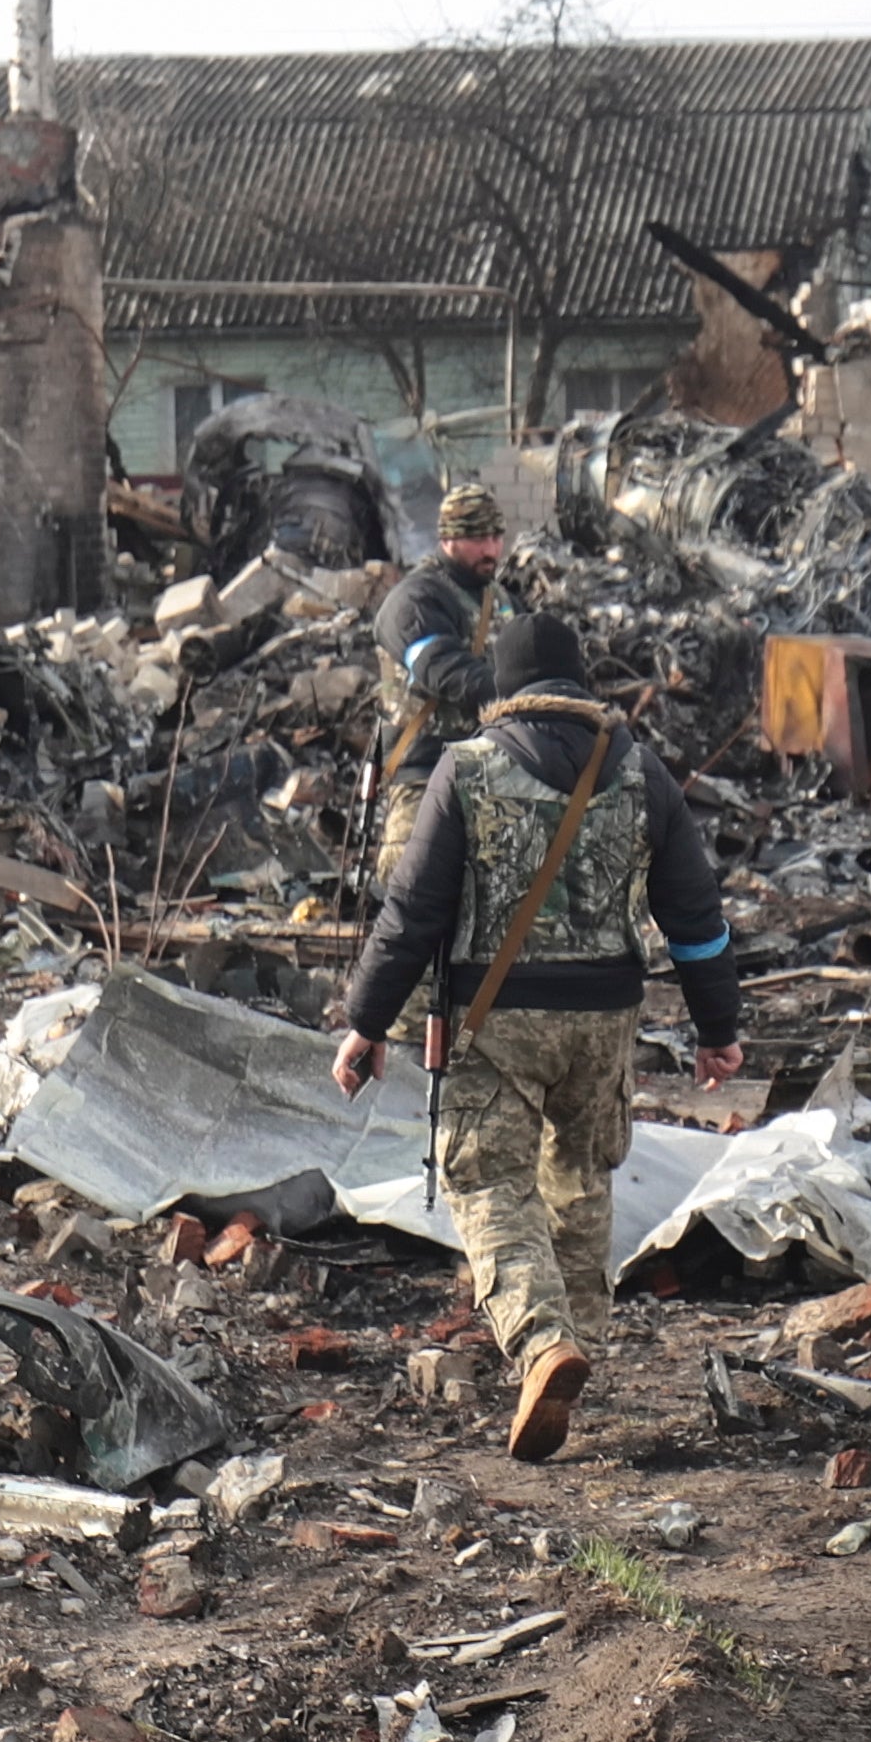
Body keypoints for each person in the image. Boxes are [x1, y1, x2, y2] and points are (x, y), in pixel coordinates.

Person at [329, 611, 745, 1461]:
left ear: (505, 688)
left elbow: (411, 916)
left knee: (485, 1178)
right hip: (606, 1020)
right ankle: (577, 1350)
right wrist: (718, 1028)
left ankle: (540, 1338)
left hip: (496, 1016)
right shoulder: (639, 771)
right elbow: (697, 916)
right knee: (581, 1173)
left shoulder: (466, 769)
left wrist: (367, 1023)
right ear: (580, 684)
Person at [367, 483, 516, 869]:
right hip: (424, 772)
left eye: (496, 537)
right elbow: (446, 671)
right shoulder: (414, 600)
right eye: (478, 538)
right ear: (449, 538)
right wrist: (521, 700)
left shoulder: (499, 599)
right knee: (411, 889)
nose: (491, 550)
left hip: (488, 771)